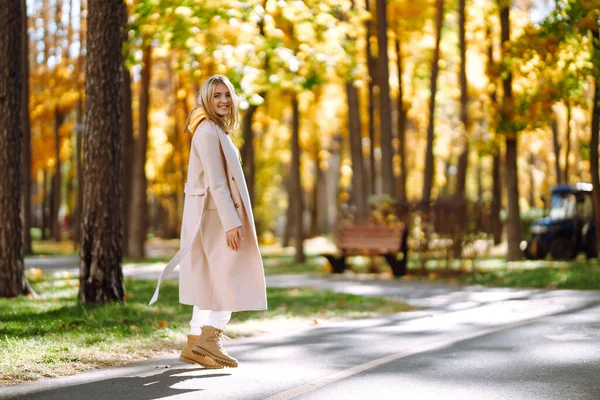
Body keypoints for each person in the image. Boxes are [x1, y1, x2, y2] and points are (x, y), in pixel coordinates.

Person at [149, 75, 267, 369]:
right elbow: (216, 181)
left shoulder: (213, 129)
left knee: (208, 278)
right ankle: (210, 338)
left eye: (227, 95)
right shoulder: (207, 131)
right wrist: (231, 221)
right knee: (229, 276)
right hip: (216, 218)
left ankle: (193, 342)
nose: (223, 101)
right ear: (206, 99)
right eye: (216, 96)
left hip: (211, 216)